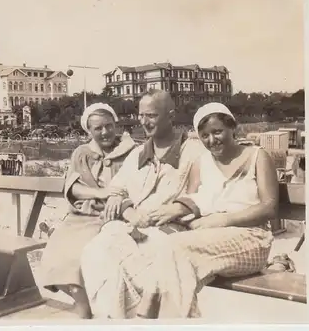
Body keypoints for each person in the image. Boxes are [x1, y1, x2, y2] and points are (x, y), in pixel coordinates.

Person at [80, 102, 279, 319]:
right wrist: (171, 215)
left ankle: (149, 313)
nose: (212, 140)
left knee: (174, 251)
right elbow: (189, 204)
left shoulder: (257, 156)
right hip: (207, 239)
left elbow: (269, 208)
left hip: (252, 239)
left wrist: (220, 220)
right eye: (204, 136)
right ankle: (168, 316)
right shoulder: (201, 163)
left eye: (218, 132)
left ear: (233, 127)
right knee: (148, 255)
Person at [38, 102, 137, 319]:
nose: (105, 132)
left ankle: (85, 313)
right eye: (98, 128)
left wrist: (117, 198)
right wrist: (100, 193)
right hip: (82, 215)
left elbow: (138, 184)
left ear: (115, 125)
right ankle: (84, 306)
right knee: (54, 258)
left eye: (109, 126)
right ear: (89, 131)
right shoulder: (82, 153)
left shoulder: (131, 151)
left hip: (111, 216)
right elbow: (72, 186)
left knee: (80, 261)